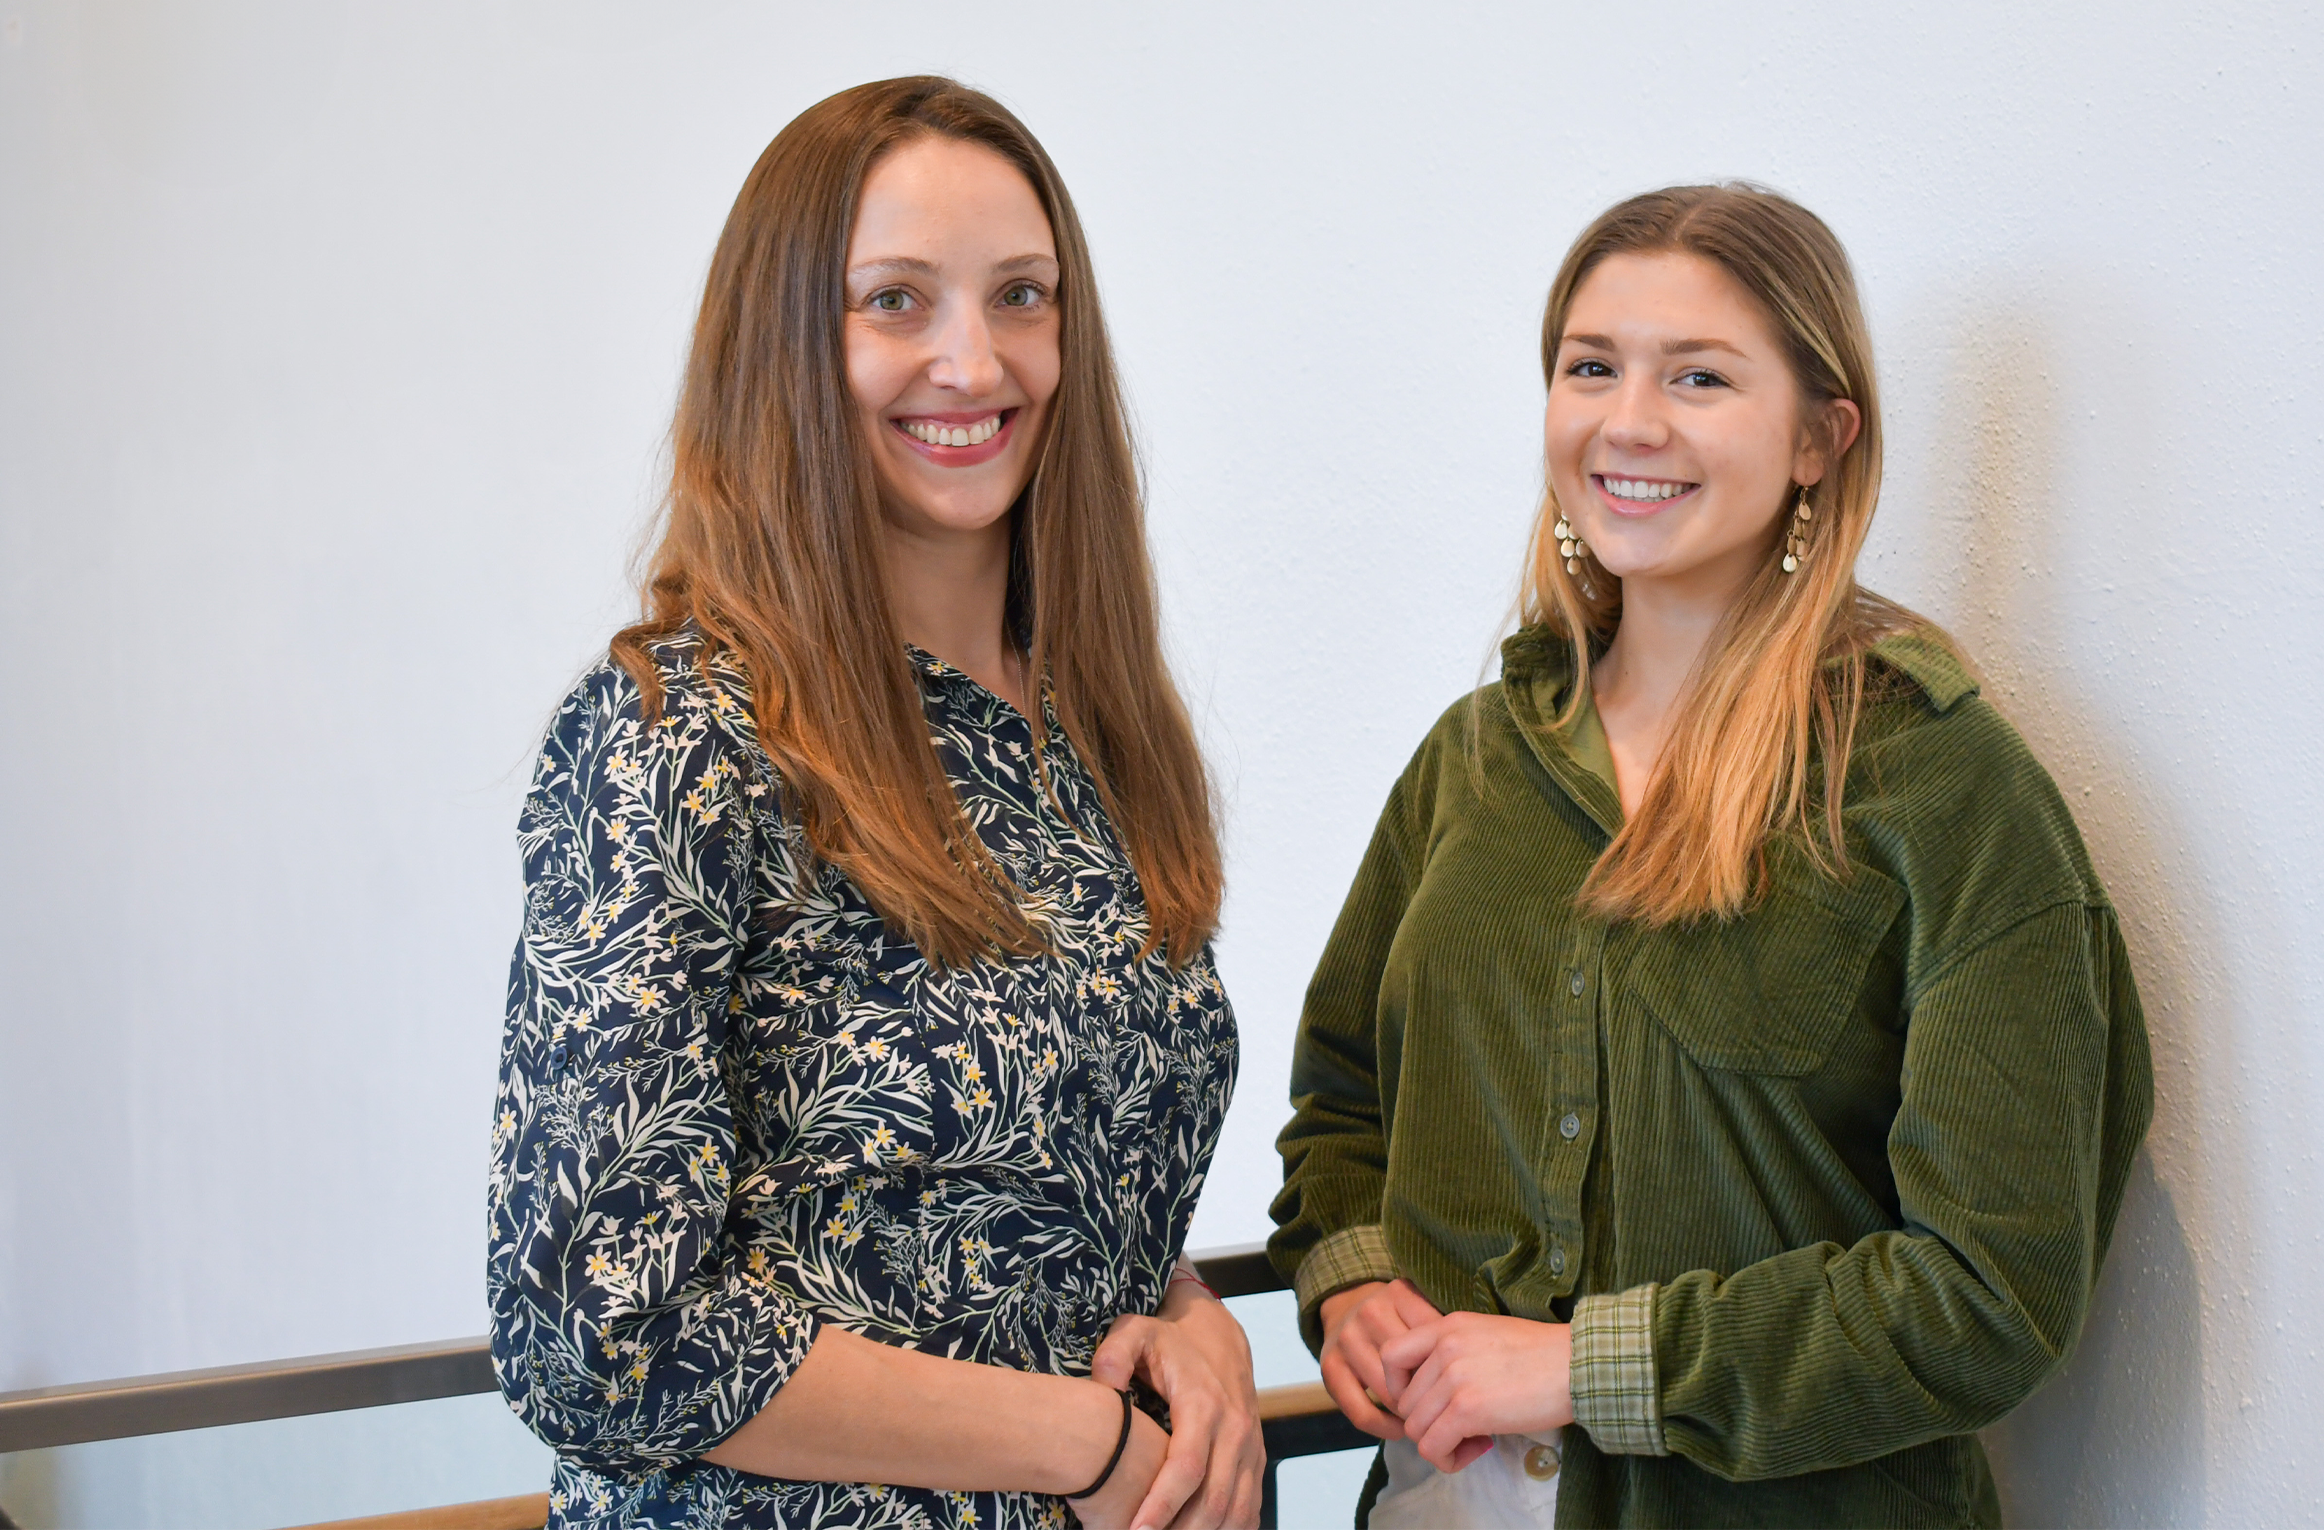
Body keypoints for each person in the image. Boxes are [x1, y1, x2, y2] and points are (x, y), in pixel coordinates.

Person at [1269, 184, 2153, 1528]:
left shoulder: (1949, 793)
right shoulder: (1476, 758)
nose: (1629, 421)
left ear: (1819, 437)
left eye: (1699, 377)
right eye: (1591, 367)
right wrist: (1354, 1279)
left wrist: (1586, 1369)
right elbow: (1345, 1099)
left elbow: (1994, 1291)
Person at [488, 77, 1260, 1530]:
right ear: (785, 343)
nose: (973, 361)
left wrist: (1188, 1313)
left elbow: (1008, 1180)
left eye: (1021, 296)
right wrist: (1078, 1442)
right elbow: (597, 1338)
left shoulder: (1090, 729)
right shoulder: (681, 737)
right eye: (895, 301)